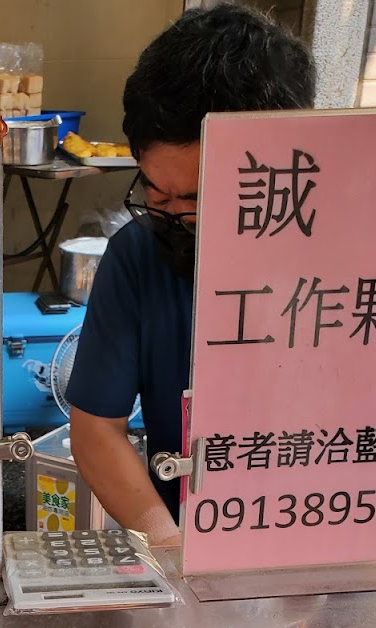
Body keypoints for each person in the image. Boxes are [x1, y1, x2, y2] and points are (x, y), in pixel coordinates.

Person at [66, 4, 315, 546]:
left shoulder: (354, 266)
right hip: (189, 537)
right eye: (156, 194)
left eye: (199, 201)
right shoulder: (139, 255)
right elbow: (97, 428)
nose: (175, 220)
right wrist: (169, 544)